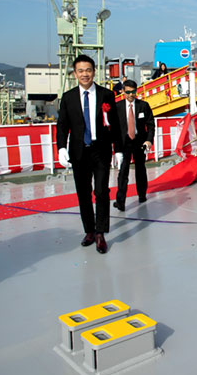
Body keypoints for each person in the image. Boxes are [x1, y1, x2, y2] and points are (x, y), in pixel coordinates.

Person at [56, 54, 121, 254]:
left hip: (100, 151)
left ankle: (101, 232)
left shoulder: (106, 95)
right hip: (78, 152)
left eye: (88, 70)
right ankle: (89, 231)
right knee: (83, 193)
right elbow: (62, 126)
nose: (85, 74)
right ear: (75, 73)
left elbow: (116, 125)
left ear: (94, 72)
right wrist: (61, 148)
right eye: (81, 71)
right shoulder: (68, 97)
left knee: (101, 192)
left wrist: (118, 149)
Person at [114, 79, 155, 211]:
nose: (131, 95)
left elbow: (150, 124)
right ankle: (120, 201)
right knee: (123, 172)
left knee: (140, 169)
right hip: (124, 143)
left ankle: (142, 195)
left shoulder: (144, 105)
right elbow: (113, 129)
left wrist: (149, 140)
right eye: (128, 92)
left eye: (133, 92)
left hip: (139, 142)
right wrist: (116, 149)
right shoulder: (117, 107)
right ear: (123, 92)